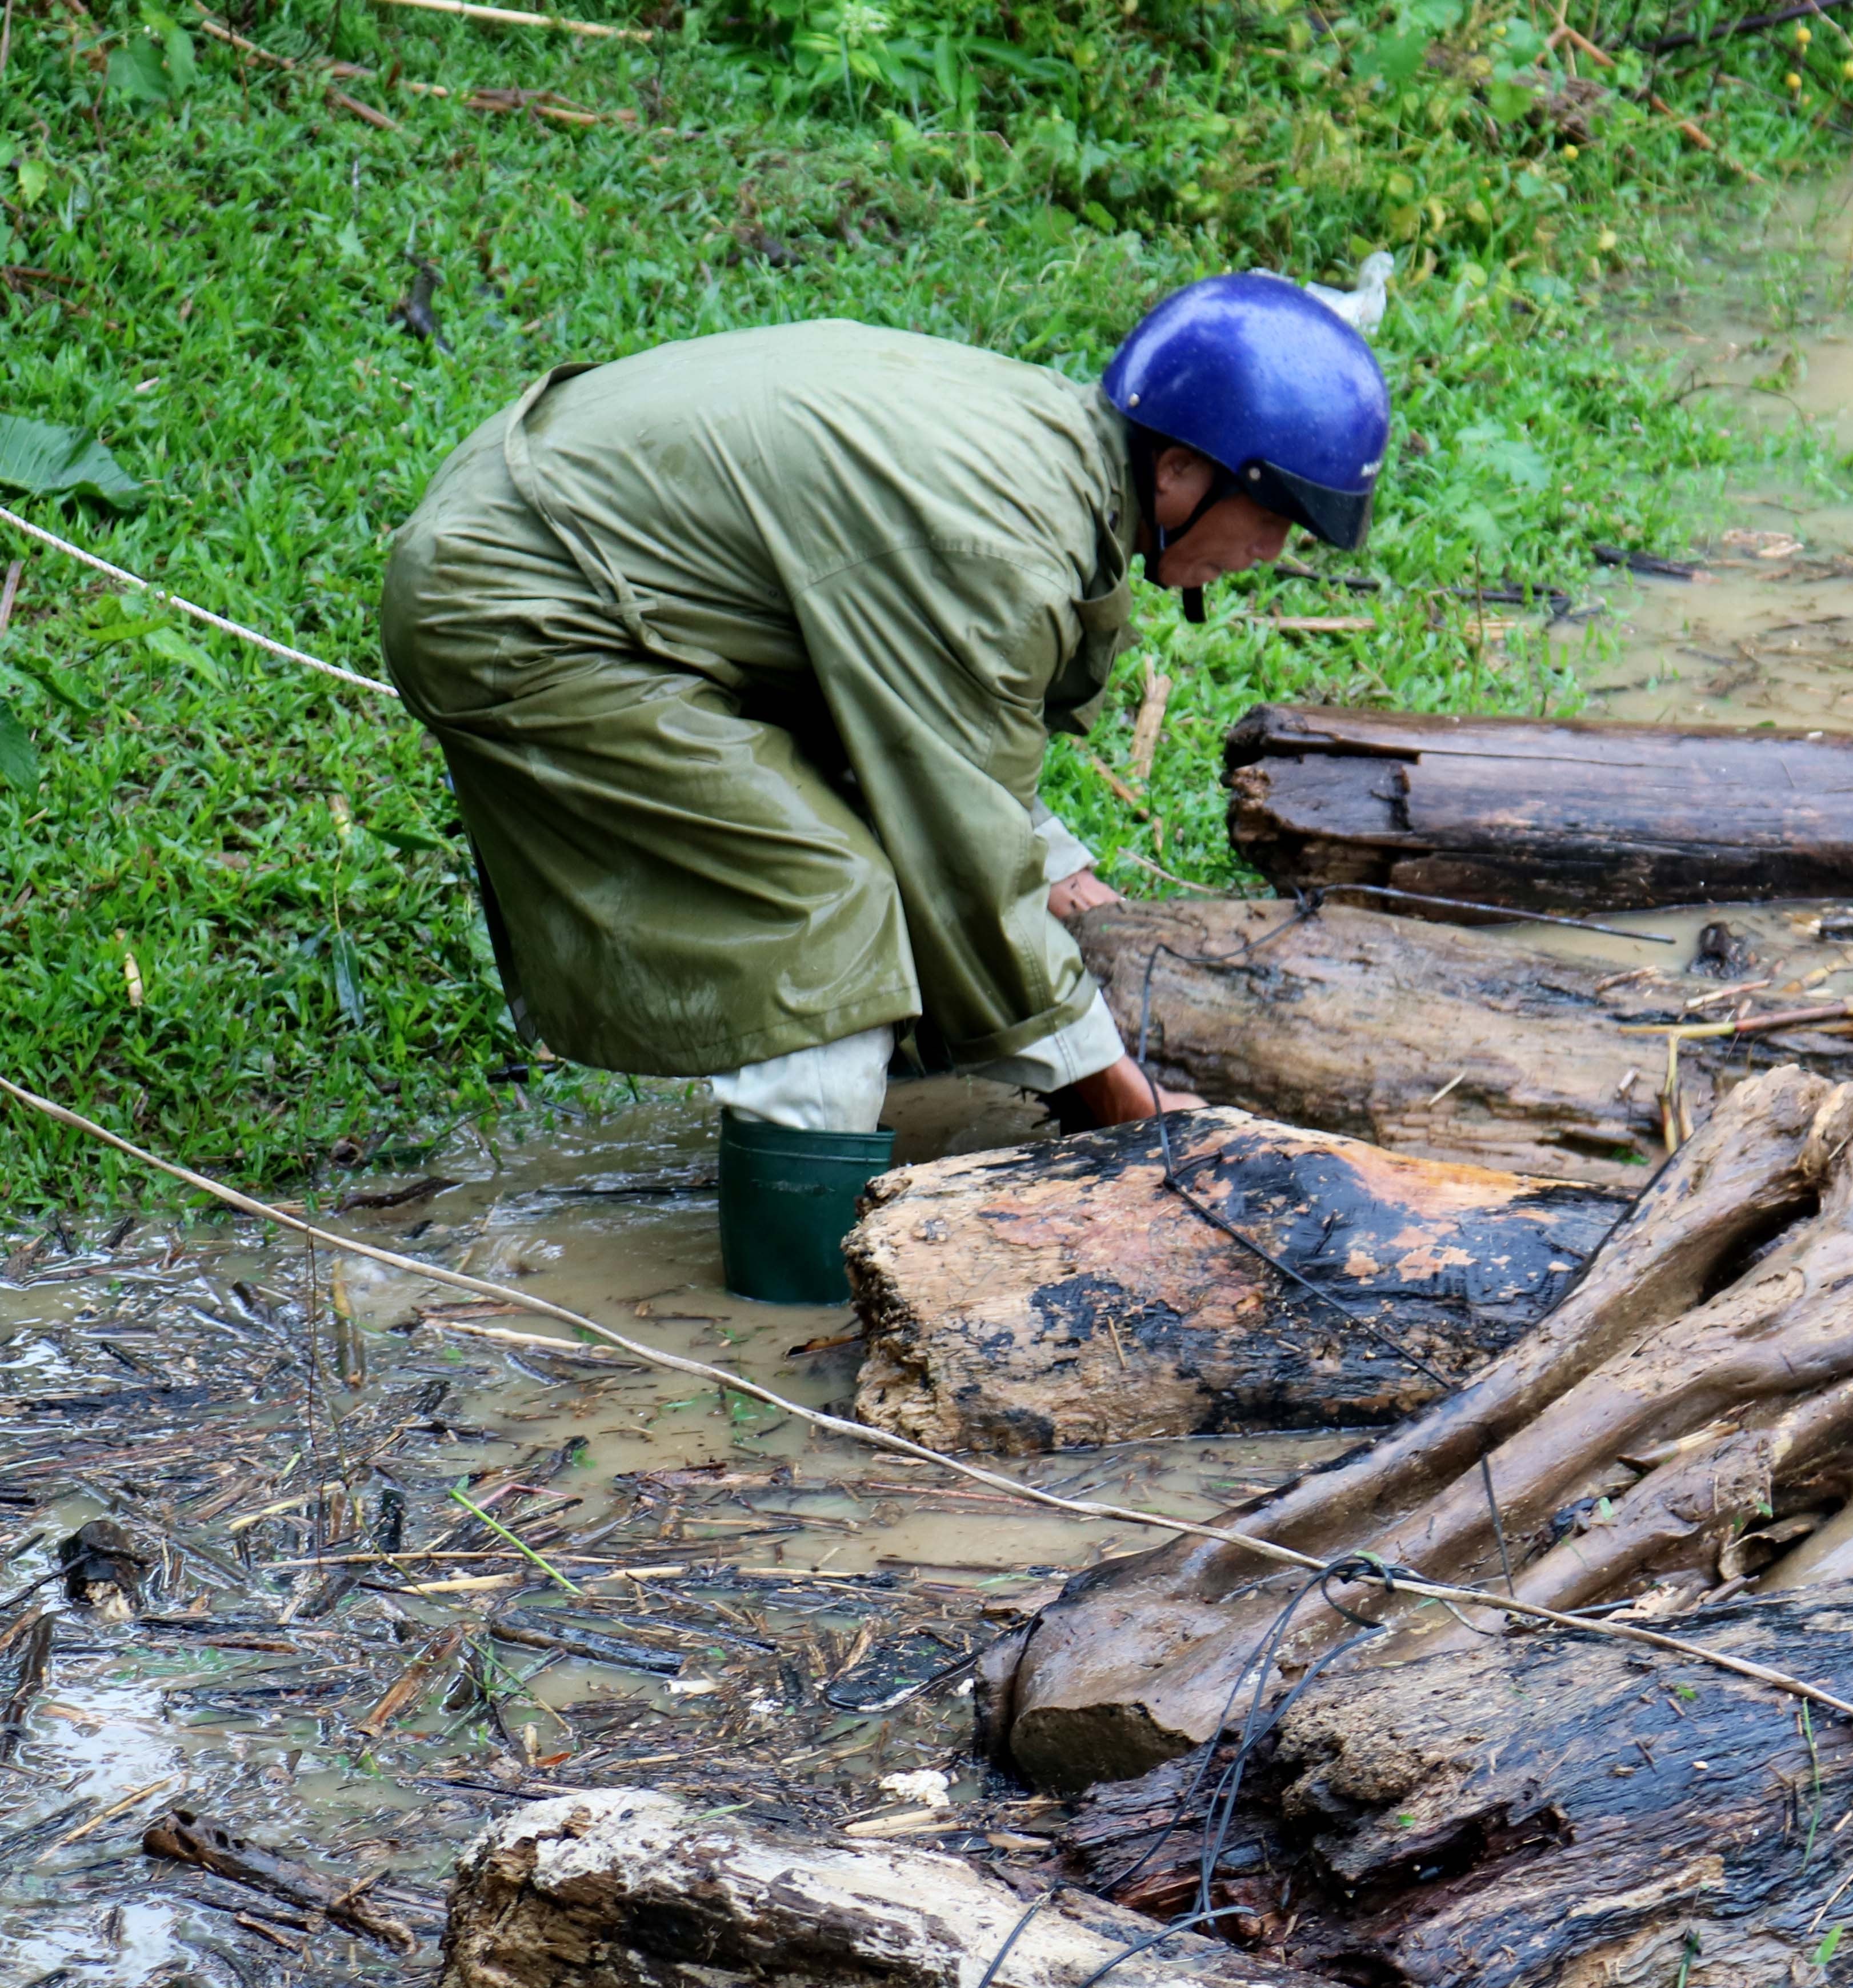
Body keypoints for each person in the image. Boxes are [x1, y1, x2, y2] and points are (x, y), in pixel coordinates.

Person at [378, 276, 1388, 1302]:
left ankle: (860, 1128)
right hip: (522, 599)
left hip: (555, 523)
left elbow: (930, 738)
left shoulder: (1047, 458)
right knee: (822, 910)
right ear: (1178, 472)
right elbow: (962, 854)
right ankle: (790, 1330)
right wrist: (1134, 1121)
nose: (1271, 552)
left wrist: (1069, 888)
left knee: (883, 861)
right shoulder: (996, 545)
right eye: (1273, 519)